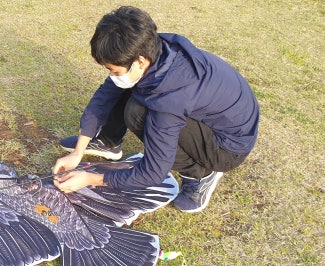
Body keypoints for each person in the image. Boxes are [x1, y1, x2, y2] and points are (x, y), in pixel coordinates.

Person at [53, 6, 259, 213]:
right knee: (124, 87)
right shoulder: (154, 48)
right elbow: (104, 97)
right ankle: (109, 142)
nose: (112, 74)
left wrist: (90, 178)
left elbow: (153, 172)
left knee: (138, 112)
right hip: (219, 118)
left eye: (113, 70)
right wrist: (78, 152)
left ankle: (200, 175)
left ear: (139, 61)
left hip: (227, 148)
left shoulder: (170, 99)